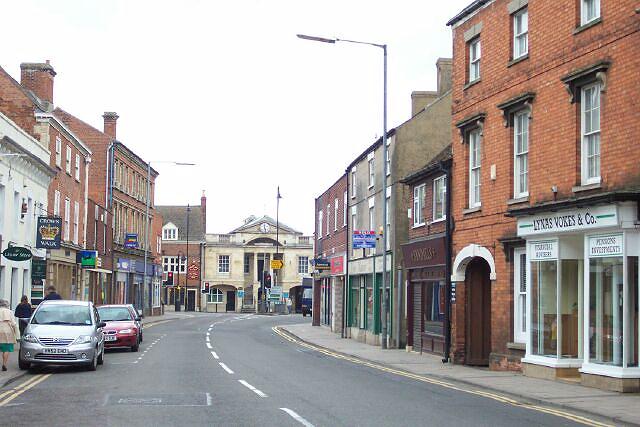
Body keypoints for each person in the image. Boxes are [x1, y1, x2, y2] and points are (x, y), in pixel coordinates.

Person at [0, 299, 18, 371]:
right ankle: (4, 364)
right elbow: (14, 324)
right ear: (7, 305)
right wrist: (17, 334)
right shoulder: (9, 312)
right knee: (6, 349)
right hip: (7, 332)